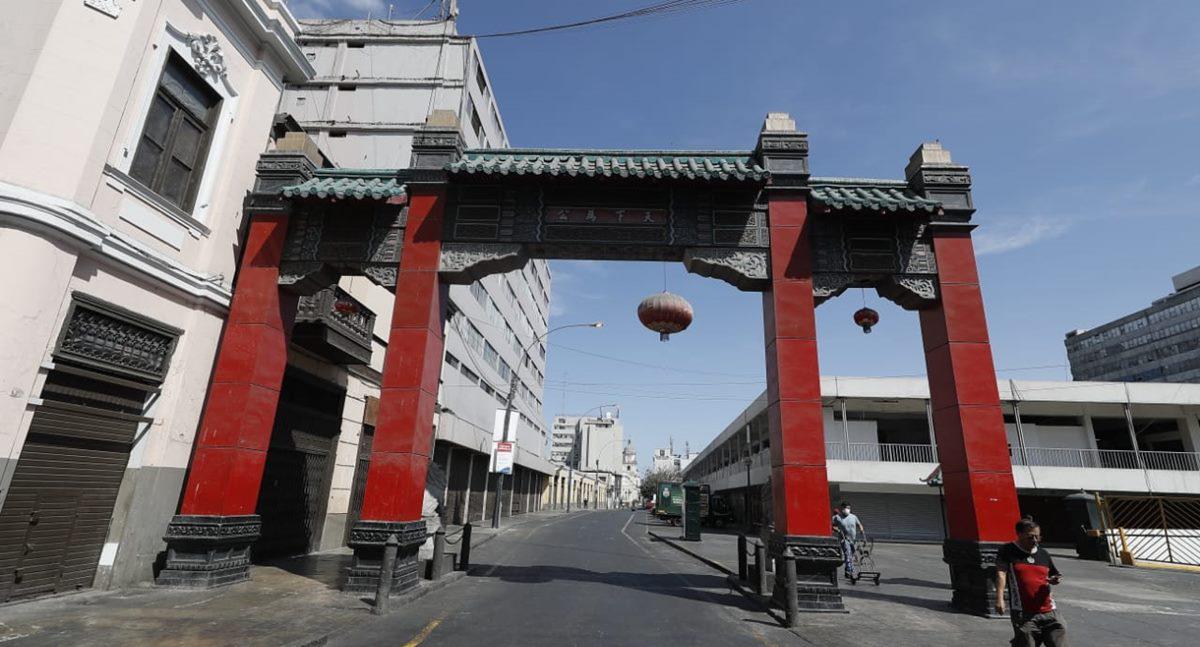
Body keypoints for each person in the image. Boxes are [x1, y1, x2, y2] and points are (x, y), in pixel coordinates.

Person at [995, 517, 1068, 647]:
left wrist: (1055, 579)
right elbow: (1001, 574)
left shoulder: (1043, 553)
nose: (1035, 541)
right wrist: (999, 599)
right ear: (1019, 534)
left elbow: (1054, 575)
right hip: (1024, 613)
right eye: (1030, 537)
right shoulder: (1007, 550)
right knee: (1026, 642)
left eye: (1038, 537)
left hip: (1050, 611)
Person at [831, 502, 865, 578]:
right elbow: (832, 526)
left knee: (852, 555)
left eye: (849, 508)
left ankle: (847, 570)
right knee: (847, 553)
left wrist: (861, 530)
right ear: (842, 508)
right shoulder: (837, 517)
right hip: (844, 539)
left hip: (853, 539)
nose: (848, 509)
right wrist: (838, 530)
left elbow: (859, 524)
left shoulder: (853, 517)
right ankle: (851, 570)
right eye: (846, 508)